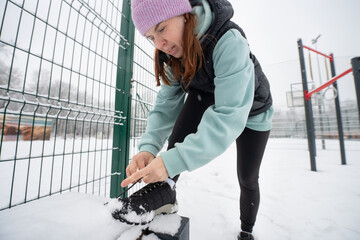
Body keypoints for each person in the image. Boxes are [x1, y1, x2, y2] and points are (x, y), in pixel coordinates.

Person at [111, 0, 273, 239]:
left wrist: (174, 160)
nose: (160, 44)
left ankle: (246, 229)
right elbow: (166, 105)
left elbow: (229, 115)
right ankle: (165, 191)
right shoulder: (173, 55)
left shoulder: (228, 41)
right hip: (209, 94)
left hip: (253, 112)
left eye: (162, 28)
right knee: (195, 98)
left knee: (247, 178)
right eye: (150, 37)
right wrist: (148, 148)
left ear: (184, 14)